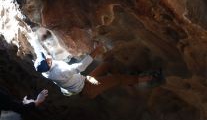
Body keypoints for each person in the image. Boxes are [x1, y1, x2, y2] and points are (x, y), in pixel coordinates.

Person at [34, 42, 163, 99]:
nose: (47, 56)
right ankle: (148, 79)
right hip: (88, 89)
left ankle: (127, 83)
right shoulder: (61, 71)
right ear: (49, 63)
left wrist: (33, 38)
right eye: (46, 59)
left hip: (85, 81)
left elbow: (38, 50)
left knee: (107, 65)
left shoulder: (45, 70)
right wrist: (97, 49)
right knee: (116, 79)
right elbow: (81, 66)